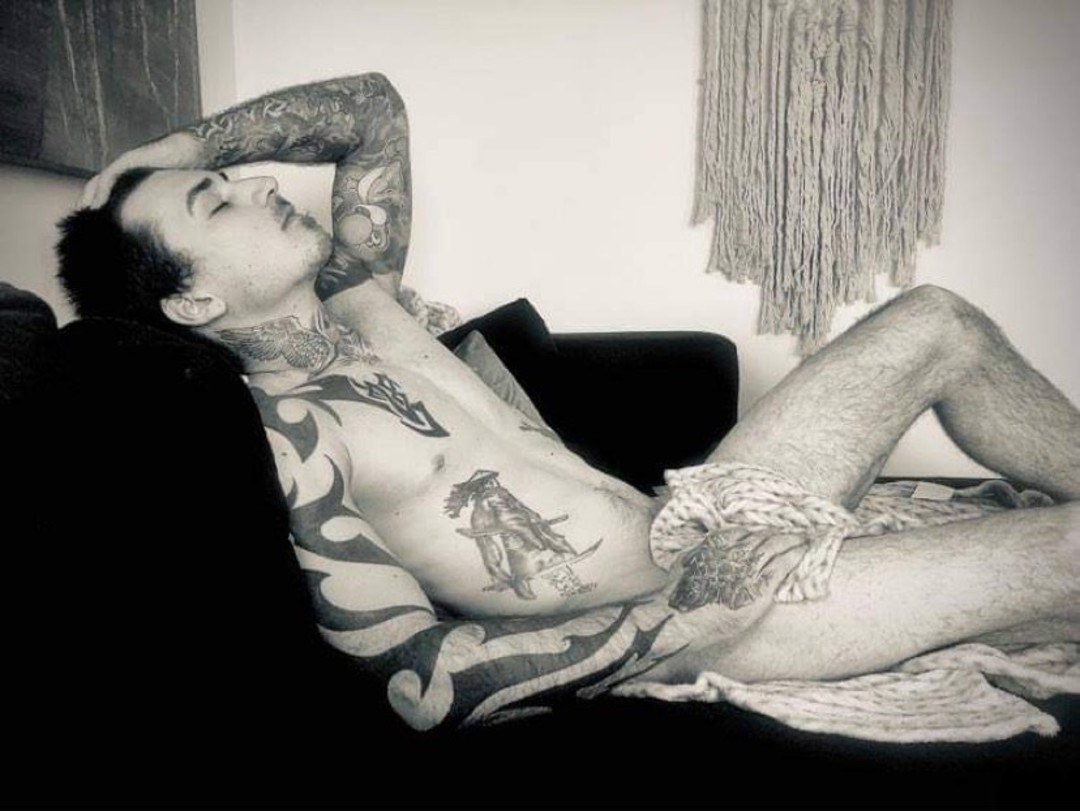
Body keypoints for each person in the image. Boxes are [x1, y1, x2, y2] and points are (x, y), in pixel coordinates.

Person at [57, 74, 1079, 731]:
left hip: (695, 518)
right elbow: (422, 676)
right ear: (193, 299)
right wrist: (680, 620)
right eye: (217, 201)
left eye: (234, 177)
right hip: (722, 621)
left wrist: (185, 150)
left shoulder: (363, 302)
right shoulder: (295, 436)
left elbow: (371, 107)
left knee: (937, 320)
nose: (258, 185)